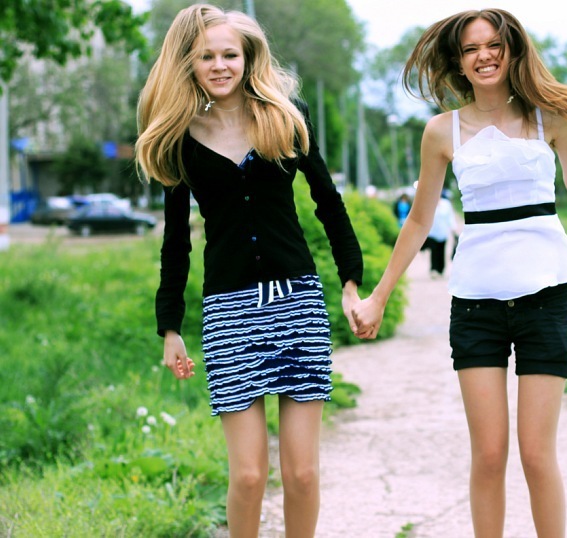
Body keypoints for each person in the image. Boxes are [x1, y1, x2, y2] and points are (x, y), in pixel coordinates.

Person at [352, 8, 567, 538]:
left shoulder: (551, 118)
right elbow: (420, 219)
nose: (483, 56)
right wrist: (379, 296)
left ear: (511, 50)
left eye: (493, 45)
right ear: (459, 62)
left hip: (544, 299)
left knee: (537, 455)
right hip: (476, 305)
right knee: (489, 455)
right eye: (471, 49)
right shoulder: (441, 131)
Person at [135, 5, 363, 537]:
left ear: (247, 57)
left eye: (229, 55)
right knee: (248, 476)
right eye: (206, 57)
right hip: (230, 313)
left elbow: (329, 203)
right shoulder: (179, 141)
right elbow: (175, 243)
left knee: (302, 474)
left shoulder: (286, 117)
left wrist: (352, 283)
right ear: (189, 64)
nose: (220, 66)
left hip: (298, 303)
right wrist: (170, 327)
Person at [424, 188, 457, 277]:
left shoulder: (446, 204)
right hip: (432, 232)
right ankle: (433, 269)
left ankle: (441, 269)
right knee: (433, 251)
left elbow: (450, 217)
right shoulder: (429, 204)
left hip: (443, 232)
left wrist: (453, 228)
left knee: (441, 251)